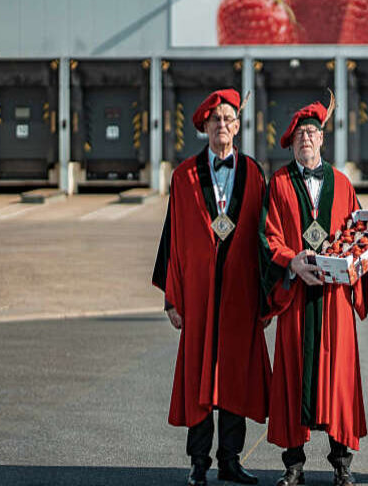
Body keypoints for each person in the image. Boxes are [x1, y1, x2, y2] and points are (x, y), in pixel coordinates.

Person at [152, 88, 271, 486]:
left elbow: (265, 238)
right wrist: (172, 297)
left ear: (238, 126)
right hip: (200, 297)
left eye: (229, 119)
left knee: (234, 377)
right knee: (200, 378)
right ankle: (199, 461)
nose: (222, 125)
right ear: (205, 126)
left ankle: (231, 460)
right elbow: (173, 236)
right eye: (215, 120)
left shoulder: (254, 173)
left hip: (240, 296)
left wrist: (267, 297)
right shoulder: (184, 176)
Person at [258, 97, 368, 486]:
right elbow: (268, 236)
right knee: (294, 377)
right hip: (295, 298)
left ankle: (342, 462)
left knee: (338, 377)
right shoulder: (278, 183)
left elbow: (358, 236)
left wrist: (363, 257)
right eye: (298, 135)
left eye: (311, 133)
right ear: (290, 143)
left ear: (322, 139)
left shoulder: (342, 184)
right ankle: (293, 464)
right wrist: (291, 261)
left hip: (334, 301)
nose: (305, 139)